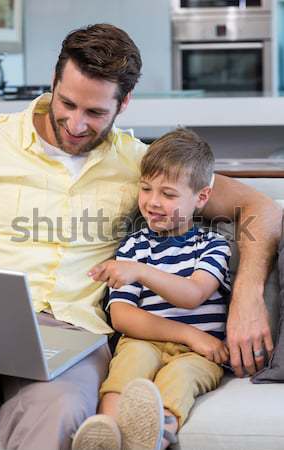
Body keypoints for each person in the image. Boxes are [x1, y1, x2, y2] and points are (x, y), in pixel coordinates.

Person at [0, 21, 281, 450]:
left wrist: (248, 297)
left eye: (95, 113)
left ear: (124, 104)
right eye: (65, 103)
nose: (74, 123)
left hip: (68, 332)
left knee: (63, 411)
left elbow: (262, 209)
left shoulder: (142, 168)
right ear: (53, 81)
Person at [72, 128, 232, 450]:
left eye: (169, 194)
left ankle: (157, 435)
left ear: (201, 197)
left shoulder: (213, 245)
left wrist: (141, 273)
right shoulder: (134, 246)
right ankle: (107, 434)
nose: (153, 202)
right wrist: (186, 333)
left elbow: (193, 294)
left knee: (180, 379)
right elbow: (121, 316)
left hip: (198, 353)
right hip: (146, 341)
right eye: (146, 189)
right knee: (128, 365)